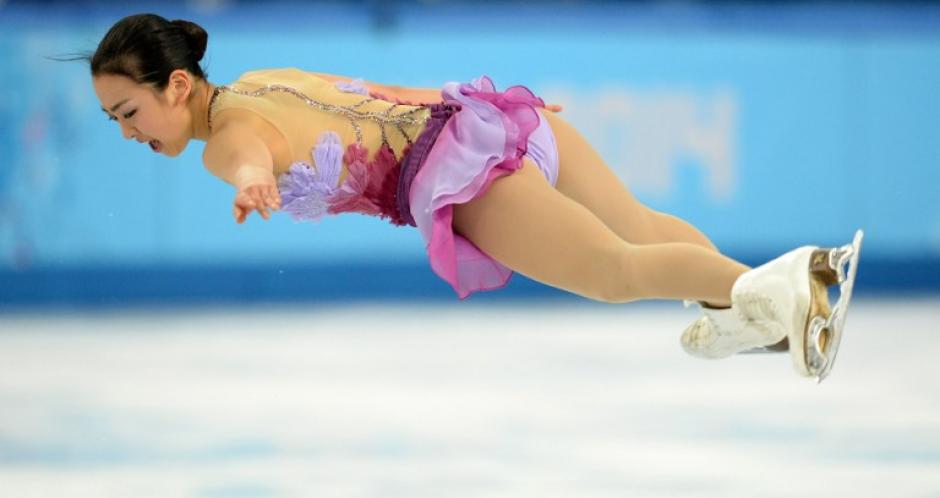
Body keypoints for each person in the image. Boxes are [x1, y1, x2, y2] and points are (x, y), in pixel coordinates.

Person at [77, 14, 862, 382]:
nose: (127, 133)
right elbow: (370, 92)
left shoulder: (222, 139)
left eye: (128, 114)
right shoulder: (259, 81)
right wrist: (488, 100)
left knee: (616, 272)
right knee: (642, 226)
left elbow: (243, 154)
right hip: (479, 115)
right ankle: (750, 313)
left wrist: (251, 182)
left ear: (177, 85)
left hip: (456, 172)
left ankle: (793, 286)